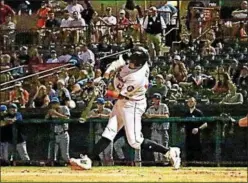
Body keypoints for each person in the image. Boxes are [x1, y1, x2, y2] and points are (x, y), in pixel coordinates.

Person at [71, 46, 181, 170]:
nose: (129, 62)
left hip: (132, 105)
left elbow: (120, 95)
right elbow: (114, 65)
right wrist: (105, 79)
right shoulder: (132, 59)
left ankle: (169, 152)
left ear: (138, 63)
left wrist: (105, 92)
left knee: (135, 141)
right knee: (109, 132)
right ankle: (89, 159)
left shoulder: (137, 78)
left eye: (132, 60)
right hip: (122, 103)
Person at [145, 93, 170, 164]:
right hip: (154, 130)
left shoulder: (164, 106)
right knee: (154, 146)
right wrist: (147, 116)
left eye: (158, 99)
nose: (157, 100)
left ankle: (164, 162)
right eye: (155, 99)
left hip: (163, 130)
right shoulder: (150, 108)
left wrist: (153, 116)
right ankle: (157, 161)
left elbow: (166, 116)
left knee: (163, 145)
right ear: (153, 100)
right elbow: (146, 115)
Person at [181, 97, 207, 164]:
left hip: (197, 136)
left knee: (197, 151)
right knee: (188, 151)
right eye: (189, 102)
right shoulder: (186, 113)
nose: (190, 103)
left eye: (192, 101)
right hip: (188, 135)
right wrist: (182, 128)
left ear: (195, 102)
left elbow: (205, 124)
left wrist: (198, 129)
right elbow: (182, 123)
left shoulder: (198, 112)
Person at [45, 97, 70, 165]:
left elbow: (67, 118)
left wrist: (56, 114)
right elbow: (45, 119)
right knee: (51, 156)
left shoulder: (64, 108)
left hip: (63, 133)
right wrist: (49, 114)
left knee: (65, 156)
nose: (54, 105)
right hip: (54, 134)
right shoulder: (51, 110)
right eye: (53, 103)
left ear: (58, 103)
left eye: (55, 103)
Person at [89, 97, 113, 165]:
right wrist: (94, 116)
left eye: (101, 104)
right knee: (101, 155)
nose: (100, 105)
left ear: (104, 104)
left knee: (108, 155)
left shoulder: (107, 111)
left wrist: (100, 115)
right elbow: (88, 116)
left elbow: (111, 116)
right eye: (98, 104)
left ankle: (110, 170)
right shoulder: (94, 111)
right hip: (98, 135)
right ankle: (103, 170)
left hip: (107, 135)